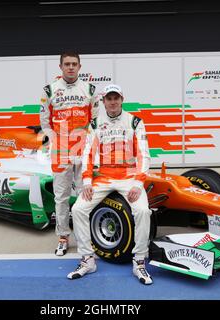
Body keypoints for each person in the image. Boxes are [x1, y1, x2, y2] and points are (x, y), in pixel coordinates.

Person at [67, 84, 153, 285]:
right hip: (103, 177)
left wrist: (138, 184)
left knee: (142, 211)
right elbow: (87, 153)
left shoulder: (135, 122)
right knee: (78, 209)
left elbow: (144, 155)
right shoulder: (95, 123)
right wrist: (87, 181)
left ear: (122, 99)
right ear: (103, 101)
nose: (113, 102)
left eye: (116, 98)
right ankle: (88, 260)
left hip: (129, 177)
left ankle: (139, 262)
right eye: (109, 98)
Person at [40, 52, 99, 256]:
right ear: (60, 66)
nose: (71, 67)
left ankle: (88, 236)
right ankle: (63, 237)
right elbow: (45, 122)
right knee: (61, 197)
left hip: (83, 152)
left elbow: (96, 122)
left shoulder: (90, 89)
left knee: (86, 195)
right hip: (60, 152)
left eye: (74, 64)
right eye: (67, 64)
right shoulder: (50, 90)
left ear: (80, 66)